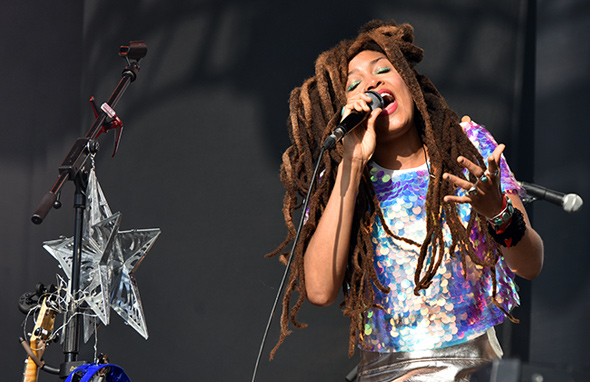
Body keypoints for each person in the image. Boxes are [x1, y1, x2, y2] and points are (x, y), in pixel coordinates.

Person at [267, 20, 544, 381]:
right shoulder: (345, 176)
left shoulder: (467, 145)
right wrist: (351, 163)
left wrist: (497, 213)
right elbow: (319, 290)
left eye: (384, 70)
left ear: (409, 83)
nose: (373, 83)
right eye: (356, 84)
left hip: (474, 368)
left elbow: (531, 264)